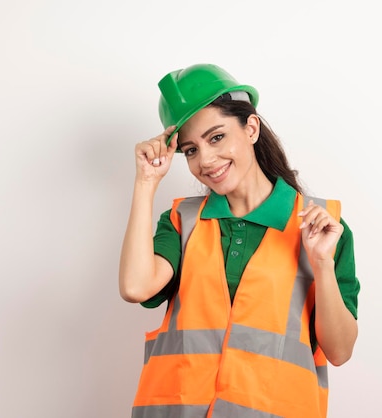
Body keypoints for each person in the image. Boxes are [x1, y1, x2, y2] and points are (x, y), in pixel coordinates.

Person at [119, 63, 360, 418]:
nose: (206, 160)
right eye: (190, 150)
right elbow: (136, 287)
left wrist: (322, 263)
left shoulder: (323, 227)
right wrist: (145, 183)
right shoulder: (183, 221)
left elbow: (339, 352)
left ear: (251, 128)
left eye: (216, 137)